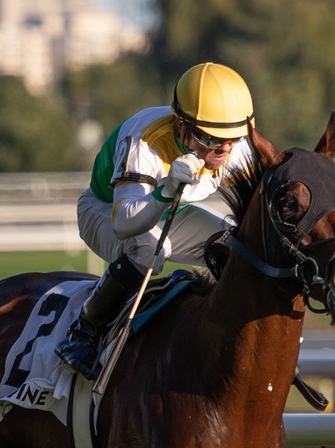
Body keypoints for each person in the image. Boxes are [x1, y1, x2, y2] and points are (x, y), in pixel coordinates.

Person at [57, 61, 257, 379]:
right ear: (181, 125)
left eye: (233, 138)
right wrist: (165, 190)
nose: (225, 149)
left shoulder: (236, 148)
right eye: (211, 138)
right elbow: (124, 221)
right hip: (104, 210)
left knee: (236, 247)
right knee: (151, 251)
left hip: (166, 211)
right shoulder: (146, 140)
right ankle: (84, 331)